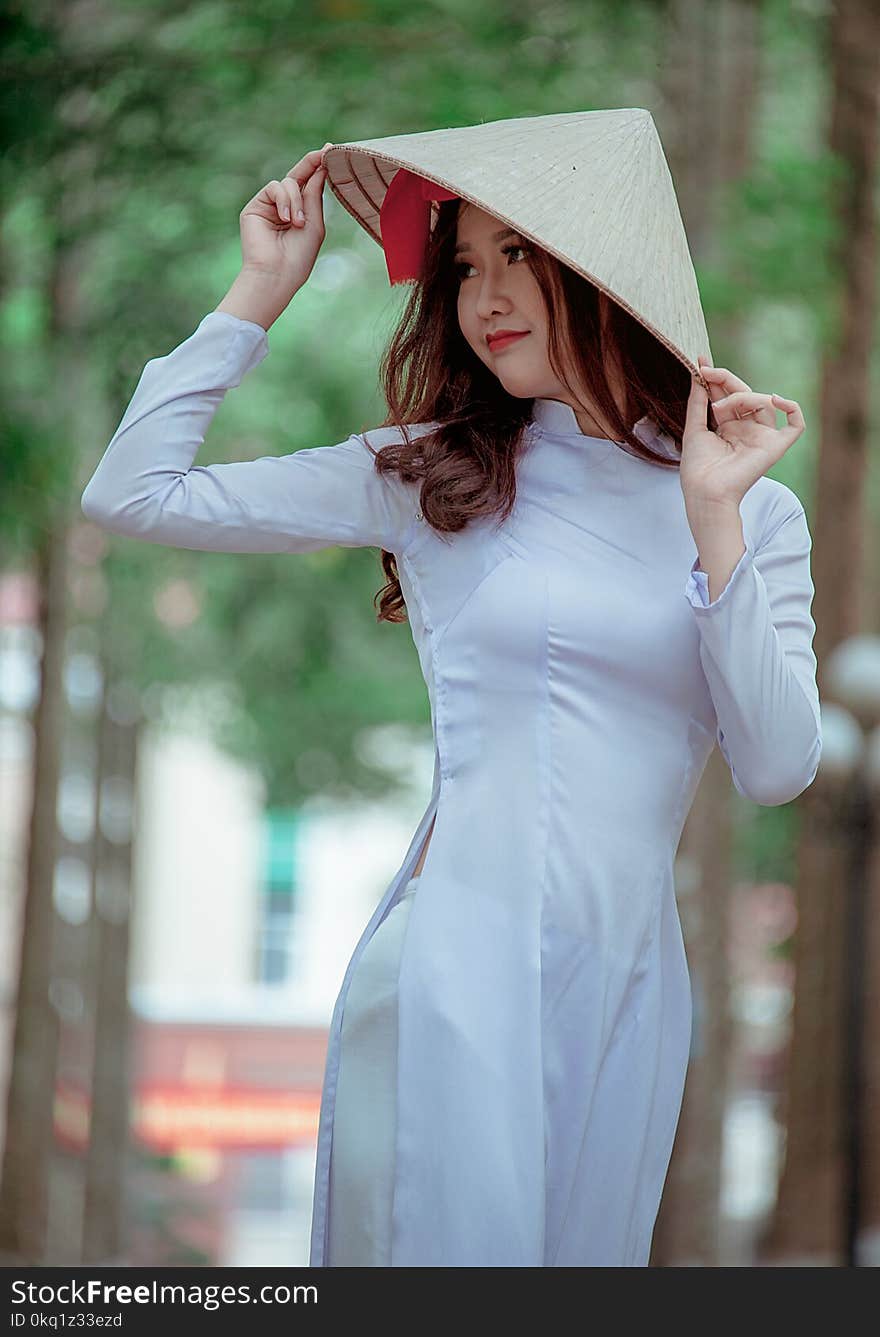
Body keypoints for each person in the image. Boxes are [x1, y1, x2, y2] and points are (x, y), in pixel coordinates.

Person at [80, 110, 822, 1267]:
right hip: (456, 962)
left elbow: (779, 765)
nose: (484, 294)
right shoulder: (434, 475)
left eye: (519, 254)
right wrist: (255, 296)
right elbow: (133, 494)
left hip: (628, 982)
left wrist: (712, 518)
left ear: (602, 272)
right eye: (465, 264)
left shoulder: (748, 507)